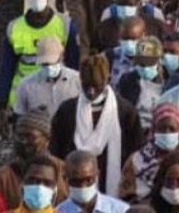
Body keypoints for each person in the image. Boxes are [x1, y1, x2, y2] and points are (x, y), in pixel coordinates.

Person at [51, 56, 144, 203]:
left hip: (114, 185)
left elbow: (135, 153)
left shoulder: (126, 112)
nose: (91, 92)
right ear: (80, 80)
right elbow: (56, 151)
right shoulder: (67, 111)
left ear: (108, 80)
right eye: (86, 86)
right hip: (75, 184)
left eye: (97, 86)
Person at [0, 0, 74, 121]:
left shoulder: (65, 25)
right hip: (23, 98)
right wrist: (1, 104)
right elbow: (6, 68)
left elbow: (73, 63)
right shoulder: (15, 28)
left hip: (55, 93)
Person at [0, 113, 68, 211]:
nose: (23, 141)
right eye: (19, 136)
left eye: (30, 136)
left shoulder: (64, 171)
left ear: (47, 139)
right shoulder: (2, 178)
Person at [125, 103, 179, 203]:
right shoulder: (136, 160)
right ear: (153, 130)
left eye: (172, 129)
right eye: (161, 128)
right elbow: (124, 194)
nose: (167, 133)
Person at [16, 37, 86, 128]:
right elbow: (19, 117)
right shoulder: (26, 85)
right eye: (45, 64)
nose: (49, 67)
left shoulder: (78, 81)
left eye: (52, 63)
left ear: (62, 56)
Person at [117, 37, 168, 130]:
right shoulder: (128, 80)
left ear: (159, 60)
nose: (145, 68)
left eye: (149, 64)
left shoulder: (168, 82)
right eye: (141, 64)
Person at [60, 149, 131, 213]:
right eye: (76, 181)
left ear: (97, 175)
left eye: (88, 180)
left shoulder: (121, 210)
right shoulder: (58, 211)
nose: (83, 186)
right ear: (65, 178)